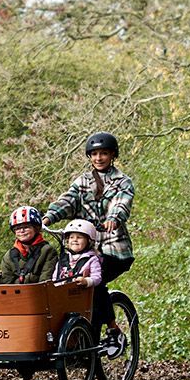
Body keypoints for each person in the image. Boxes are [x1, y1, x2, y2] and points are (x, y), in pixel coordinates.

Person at [43, 132, 135, 333]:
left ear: (112, 155)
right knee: (67, 285)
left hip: (114, 248)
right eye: (94, 154)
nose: (99, 158)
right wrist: (50, 216)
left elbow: (121, 202)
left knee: (95, 282)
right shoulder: (83, 181)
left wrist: (114, 218)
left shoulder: (123, 181)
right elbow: (69, 200)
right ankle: (76, 338)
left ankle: (112, 329)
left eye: (103, 153)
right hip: (86, 247)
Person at [0, 206, 57, 284]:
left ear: (36, 229)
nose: (22, 231)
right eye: (17, 228)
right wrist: (32, 277)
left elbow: (44, 283)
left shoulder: (47, 251)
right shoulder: (9, 256)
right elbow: (6, 284)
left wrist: (21, 280)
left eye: (26, 227)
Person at [53, 219, 103, 287]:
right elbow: (55, 277)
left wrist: (86, 281)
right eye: (71, 237)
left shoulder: (92, 259)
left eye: (79, 237)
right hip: (62, 293)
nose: (75, 240)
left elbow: (97, 277)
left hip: (81, 293)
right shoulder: (63, 259)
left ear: (89, 241)